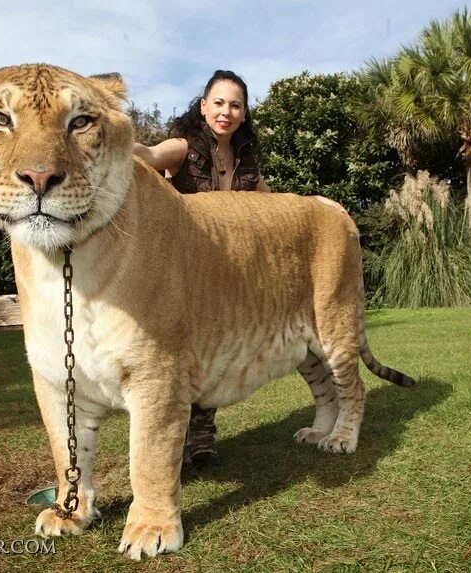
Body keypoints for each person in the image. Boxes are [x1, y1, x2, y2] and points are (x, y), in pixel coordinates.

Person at [133, 70, 268, 469]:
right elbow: (149, 157)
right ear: (204, 106)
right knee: (179, 354)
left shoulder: (246, 161)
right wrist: (121, 142)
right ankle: (177, 436)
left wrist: (315, 202)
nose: (227, 111)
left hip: (226, 272)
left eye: (236, 104)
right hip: (181, 269)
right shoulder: (182, 147)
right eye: (219, 103)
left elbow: (275, 204)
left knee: (211, 353)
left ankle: (201, 434)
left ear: (244, 113)